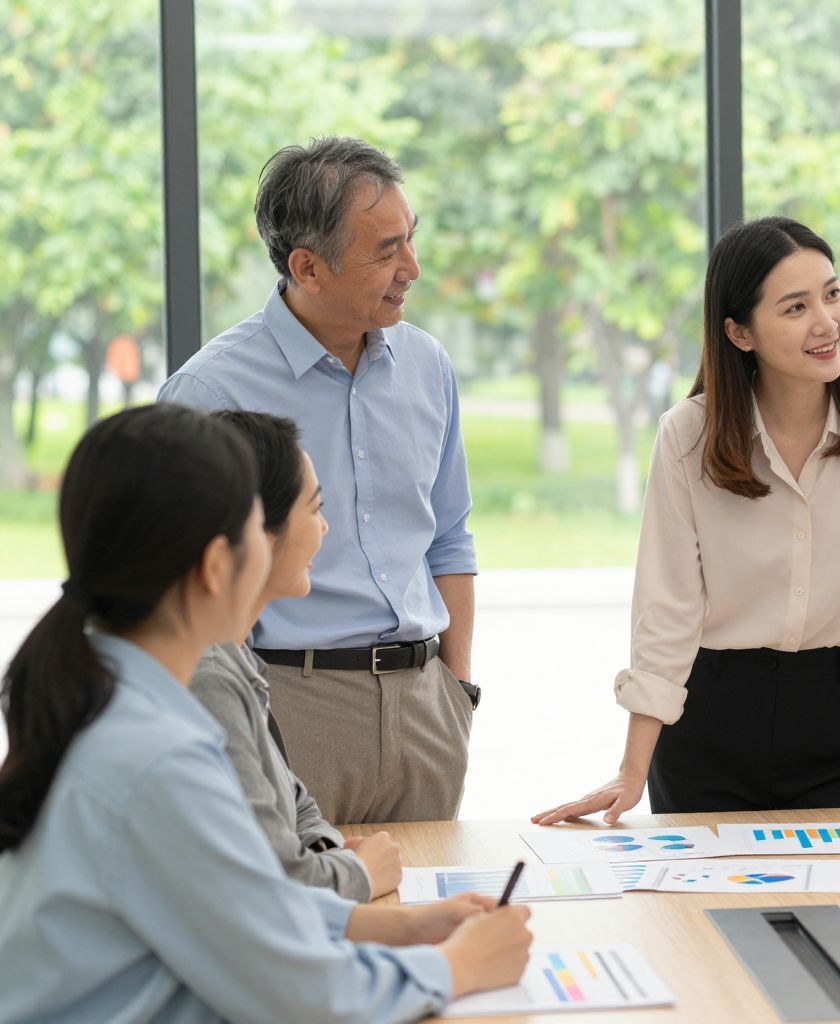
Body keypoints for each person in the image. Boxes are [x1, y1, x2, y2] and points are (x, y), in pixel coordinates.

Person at [0, 404, 531, 1022]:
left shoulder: (114, 697)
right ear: (215, 567)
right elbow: (302, 997)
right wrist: (459, 966)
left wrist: (402, 928)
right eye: (259, 524)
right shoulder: (155, 757)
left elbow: (240, 902)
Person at [535, 217, 840, 825]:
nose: (826, 322)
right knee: (707, 894)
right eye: (796, 307)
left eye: (832, 294)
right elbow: (667, 609)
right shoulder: (688, 435)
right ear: (739, 332)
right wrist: (632, 770)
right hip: (708, 726)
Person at [158, 136, 478, 824]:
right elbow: (186, 589)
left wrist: (459, 689)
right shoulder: (209, 393)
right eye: (386, 251)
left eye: (411, 238)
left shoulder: (429, 366)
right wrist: (242, 722)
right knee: (293, 890)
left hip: (428, 710)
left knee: (429, 891)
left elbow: (450, 537)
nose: (413, 268)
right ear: (307, 266)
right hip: (288, 707)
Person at [188, 409, 401, 902]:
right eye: (315, 508)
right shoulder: (205, 676)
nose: (324, 529)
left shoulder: (234, 653)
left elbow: (297, 804)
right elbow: (275, 883)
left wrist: (328, 858)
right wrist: (357, 873)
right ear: (256, 530)